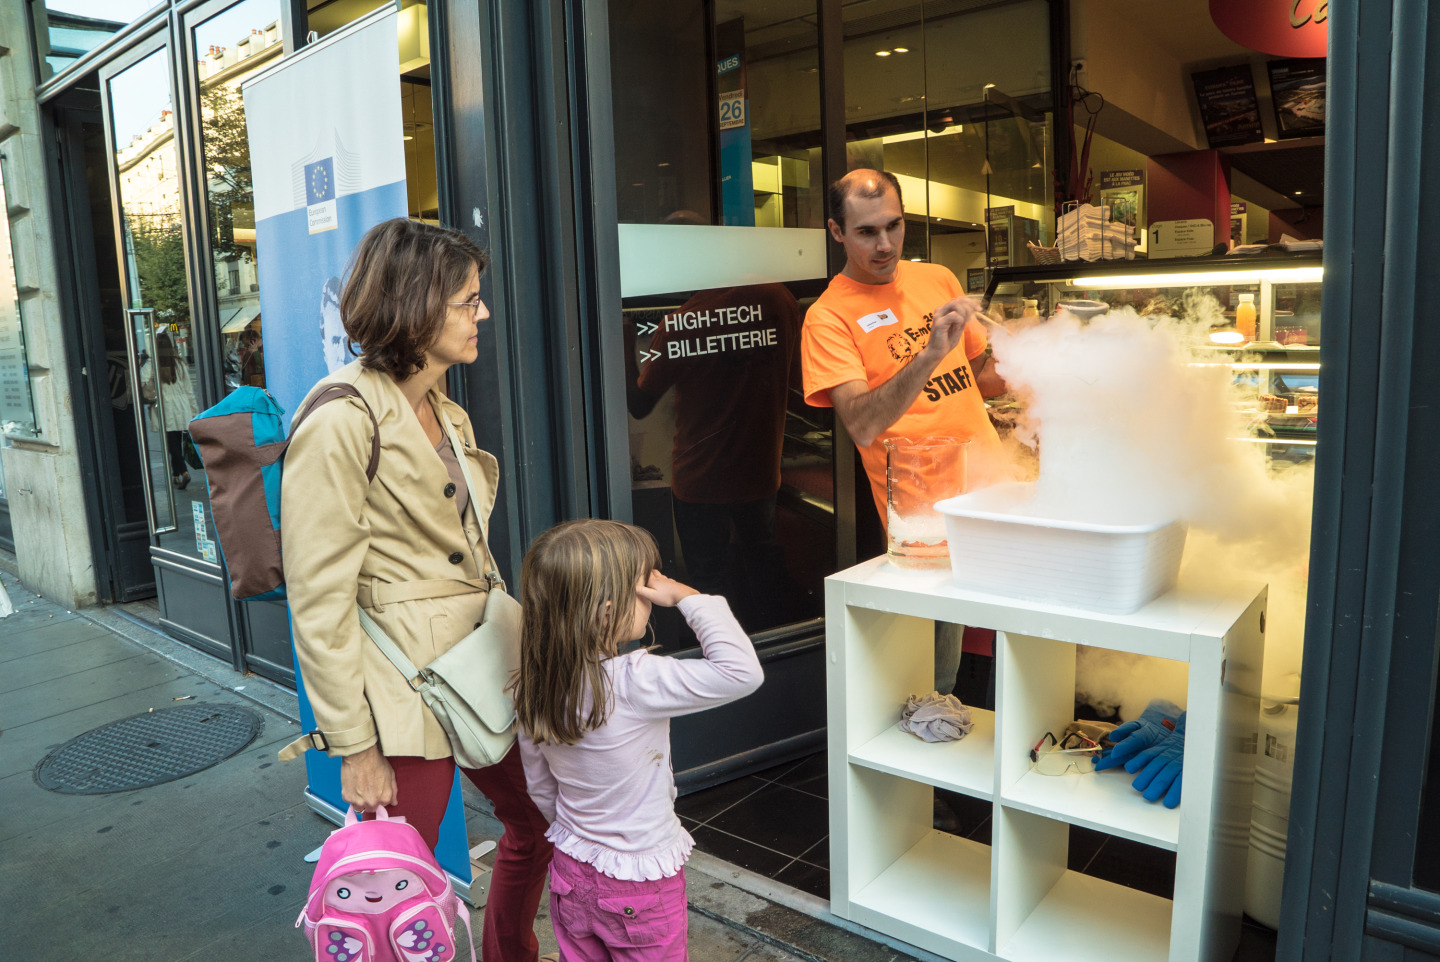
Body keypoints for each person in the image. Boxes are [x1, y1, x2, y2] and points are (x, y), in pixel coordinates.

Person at [280, 218, 552, 962]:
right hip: (399, 695)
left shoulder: (446, 410)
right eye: (468, 300)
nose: (482, 314)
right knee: (399, 890)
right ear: (418, 304)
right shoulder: (341, 417)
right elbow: (319, 599)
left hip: (480, 669)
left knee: (541, 821)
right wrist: (354, 745)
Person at [800, 169, 1006, 707]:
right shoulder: (827, 317)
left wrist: (1045, 361)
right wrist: (930, 352)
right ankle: (929, 774)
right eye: (867, 232)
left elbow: (979, 374)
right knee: (934, 674)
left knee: (1018, 645)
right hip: (924, 523)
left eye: (894, 226)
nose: (886, 244)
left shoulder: (937, 277)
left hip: (994, 491)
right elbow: (862, 423)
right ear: (836, 232)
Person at [513, 519, 764, 962]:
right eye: (644, 588)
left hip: (571, 869)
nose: (654, 594)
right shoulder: (634, 679)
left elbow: (540, 787)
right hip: (640, 883)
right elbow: (741, 672)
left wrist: (583, 834)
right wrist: (689, 597)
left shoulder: (534, 683)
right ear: (608, 612)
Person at [625, 283, 802, 628]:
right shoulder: (779, 299)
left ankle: (719, 658)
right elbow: (796, 378)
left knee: (708, 582)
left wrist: (622, 340)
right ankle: (774, 649)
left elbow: (639, 403)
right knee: (763, 563)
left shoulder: (680, 324)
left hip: (699, 479)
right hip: (760, 472)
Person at [141, 331, 199, 490]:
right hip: (182, 407)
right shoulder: (180, 363)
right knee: (176, 443)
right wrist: (194, 412)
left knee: (171, 444)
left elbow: (142, 380)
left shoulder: (153, 363)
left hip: (164, 409)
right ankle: (175, 474)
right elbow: (189, 391)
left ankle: (184, 472)